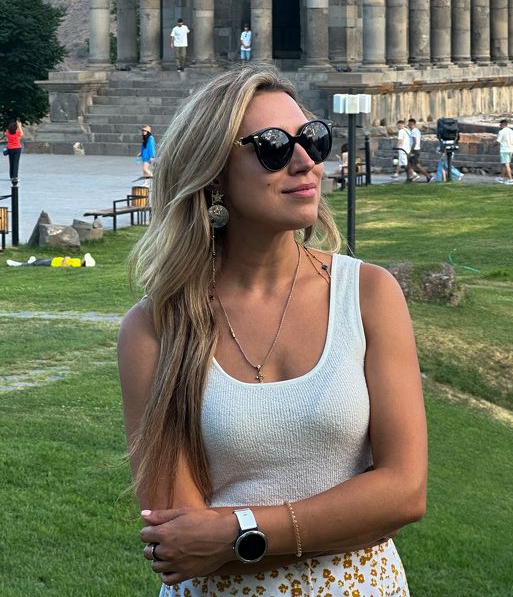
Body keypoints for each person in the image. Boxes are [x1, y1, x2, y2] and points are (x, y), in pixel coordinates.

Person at [118, 67, 427, 596]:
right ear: (214, 173)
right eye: (273, 147)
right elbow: (182, 544)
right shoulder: (156, 327)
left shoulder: (369, 295)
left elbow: (403, 493)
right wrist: (349, 520)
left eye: (313, 139)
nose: (305, 161)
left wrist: (237, 533)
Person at [496, 118, 513, 185]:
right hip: (511, 149)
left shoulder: (501, 132)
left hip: (504, 149)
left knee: (506, 164)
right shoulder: (512, 131)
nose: (499, 126)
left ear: (503, 124)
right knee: (504, 164)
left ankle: (511, 180)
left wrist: (492, 145)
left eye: (500, 124)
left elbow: (498, 141)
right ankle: (501, 178)